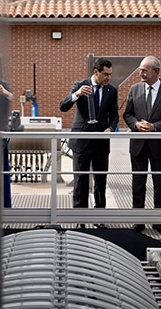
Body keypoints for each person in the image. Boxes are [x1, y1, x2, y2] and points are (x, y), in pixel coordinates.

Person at [59, 58, 119, 228]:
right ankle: (80, 219)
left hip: (101, 142)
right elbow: (62, 107)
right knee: (80, 182)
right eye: (105, 74)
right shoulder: (80, 85)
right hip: (81, 141)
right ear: (96, 72)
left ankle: (99, 218)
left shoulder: (111, 90)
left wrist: (110, 127)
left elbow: (114, 115)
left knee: (101, 181)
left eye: (110, 75)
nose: (108, 78)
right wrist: (76, 95)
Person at [123, 56, 161, 234]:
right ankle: (137, 221)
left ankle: (159, 220)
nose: (141, 73)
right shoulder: (134, 89)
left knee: (159, 183)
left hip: (159, 145)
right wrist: (135, 125)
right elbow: (127, 114)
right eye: (140, 70)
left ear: (156, 71)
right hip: (138, 144)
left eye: (145, 70)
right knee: (138, 183)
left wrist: (155, 127)